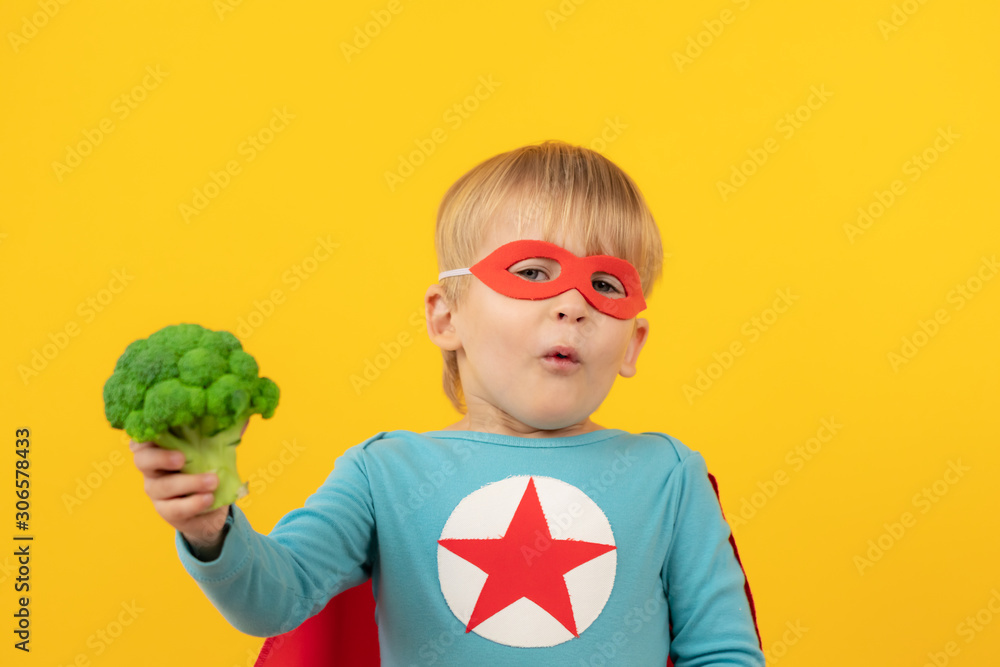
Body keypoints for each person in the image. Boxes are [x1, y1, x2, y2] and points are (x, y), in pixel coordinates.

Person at [131, 140, 765, 665]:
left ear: (634, 343)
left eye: (605, 284)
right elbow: (277, 599)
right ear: (446, 315)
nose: (573, 304)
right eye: (534, 272)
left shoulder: (668, 477)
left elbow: (724, 653)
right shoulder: (384, 474)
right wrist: (211, 531)